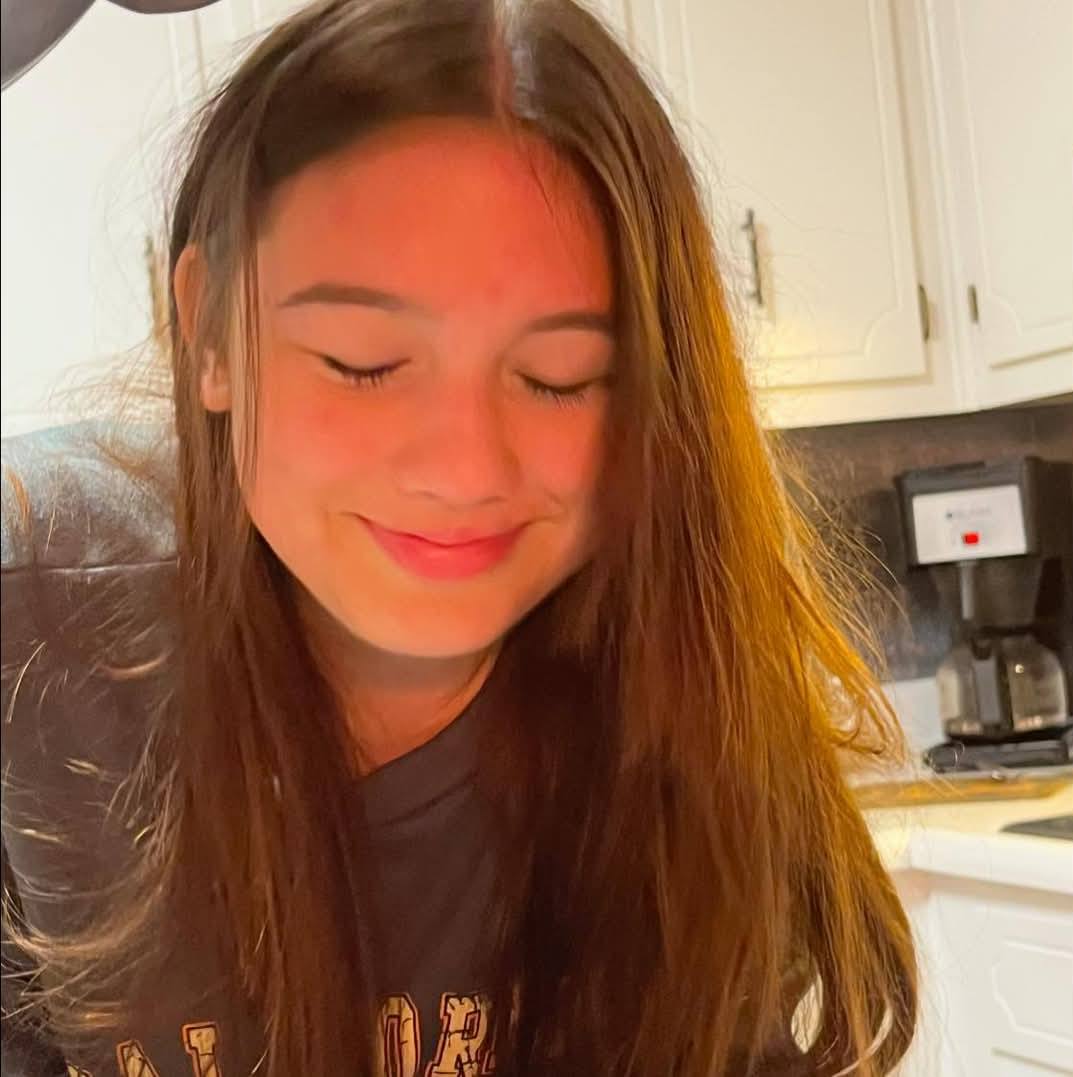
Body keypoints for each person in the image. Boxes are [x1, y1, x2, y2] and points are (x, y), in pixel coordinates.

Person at [0, 0, 917, 1074]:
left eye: (560, 377)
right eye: (363, 362)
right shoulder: (35, 609)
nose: (465, 468)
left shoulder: (682, 684)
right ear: (207, 332)